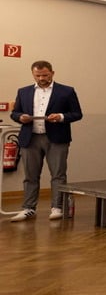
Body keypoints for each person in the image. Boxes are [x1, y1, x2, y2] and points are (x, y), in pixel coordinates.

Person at [10, 60, 83, 222]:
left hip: (57, 139)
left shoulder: (66, 91)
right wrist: (20, 117)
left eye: (45, 75)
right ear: (33, 74)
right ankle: (28, 208)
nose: (42, 78)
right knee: (30, 175)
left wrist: (61, 117)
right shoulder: (23, 92)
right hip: (30, 138)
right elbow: (14, 113)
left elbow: (77, 114)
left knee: (58, 175)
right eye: (38, 75)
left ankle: (57, 207)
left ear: (52, 73)